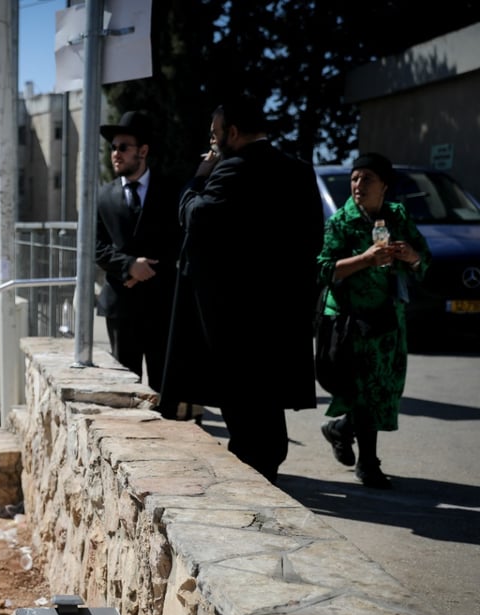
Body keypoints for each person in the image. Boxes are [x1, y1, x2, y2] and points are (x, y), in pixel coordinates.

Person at [164, 98, 324, 483]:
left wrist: (197, 178)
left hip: (237, 321)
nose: (213, 142)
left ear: (232, 133)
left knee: (247, 417)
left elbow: (196, 217)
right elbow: (313, 239)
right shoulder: (298, 171)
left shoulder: (233, 170)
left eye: (215, 135)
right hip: (282, 315)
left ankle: (257, 483)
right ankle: (267, 470)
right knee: (267, 409)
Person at [317, 153, 429, 489]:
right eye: (355, 178)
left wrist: (411, 256)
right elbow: (324, 270)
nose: (358, 185)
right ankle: (368, 463)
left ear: (384, 186)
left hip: (387, 318)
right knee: (363, 391)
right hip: (351, 320)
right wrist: (365, 259)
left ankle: (340, 429)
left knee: (384, 390)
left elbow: (424, 261)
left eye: (367, 179)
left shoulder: (397, 216)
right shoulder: (340, 222)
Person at [94, 110, 182, 392]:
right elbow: (94, 246)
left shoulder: (171, 191)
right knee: (125, 387)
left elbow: (179, 240)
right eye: (113, 148)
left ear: (142, 151)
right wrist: (129, 266)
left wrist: (147, 270)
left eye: (123, 147)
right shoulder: (102, 195)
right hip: (121, 304)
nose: (115, 154)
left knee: (163, 387)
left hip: (161, 303)